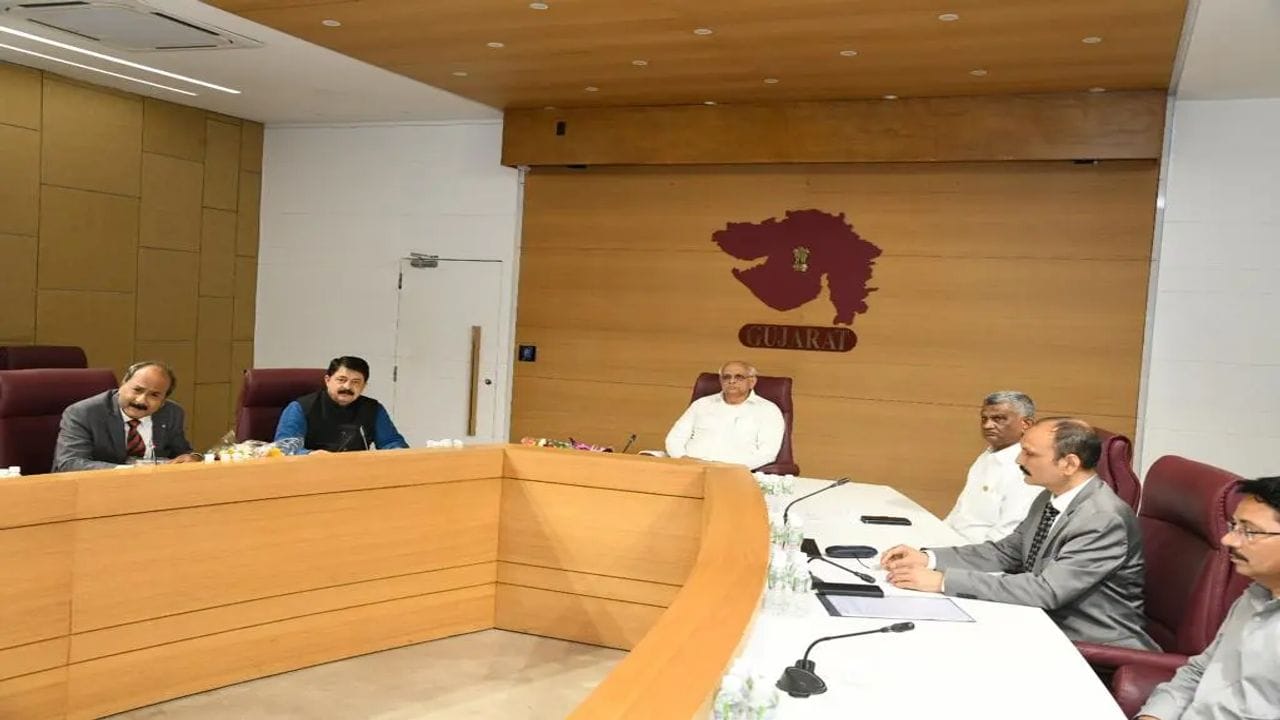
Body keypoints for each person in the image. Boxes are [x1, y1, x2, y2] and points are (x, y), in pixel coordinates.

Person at [881, 417, 1157, 650]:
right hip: (1043, 623)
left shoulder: (1102, 519)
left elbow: (1047, 590)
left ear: (1069, 464)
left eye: (1029, 453)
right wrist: (929, 559)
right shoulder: (1049, 497)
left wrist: (943, 581)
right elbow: (1006, 552)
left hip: (1093, 644)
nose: (1018, 459)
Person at [1137, 476, 1280, 720]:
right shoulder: (1256, 594)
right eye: (1234, 526)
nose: (1228, 540)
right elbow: (1200, 671)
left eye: (1248, 531)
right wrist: (1153, 716)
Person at [52, 361, 200, 472]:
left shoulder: (172, 413)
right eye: (137, 390)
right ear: (123, 384)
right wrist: (131, 471)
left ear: (163, 401)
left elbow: (182, 452)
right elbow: (69, 463)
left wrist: (194, 457)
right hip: (95, 489)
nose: (141, 400)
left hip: (154, 489)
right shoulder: (84, 412)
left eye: (154, 395)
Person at [944, 391, 1044, 542]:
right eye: (984, 419)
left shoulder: (1027, 468)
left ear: (1026, 424)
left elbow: (1006, 535)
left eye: (998, 419)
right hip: (951, 542)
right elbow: (961, 512)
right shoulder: (986, 456)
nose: (987, 425)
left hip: (978, 551)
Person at [664, 361, 784, 470]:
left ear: (752, 382)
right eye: (726, 377)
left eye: (739, 377)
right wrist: (683, 459)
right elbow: (675, 438)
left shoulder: (768, 410)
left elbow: (767, 453)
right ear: (721, 381)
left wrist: (729, 468)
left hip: (733, 472)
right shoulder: (701, 404)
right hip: (689, 467)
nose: (732, 381)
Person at [274, 356, 408, 453]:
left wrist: (398, 451)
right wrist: (311, 455)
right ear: (327, 380)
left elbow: (391, 442)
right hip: (309, 472)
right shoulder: (300, 408)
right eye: (341, 380)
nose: (347, 387)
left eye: (356, 382)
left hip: (357, 473)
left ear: (364, 386)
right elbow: (285, 448)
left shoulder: (373, 409)